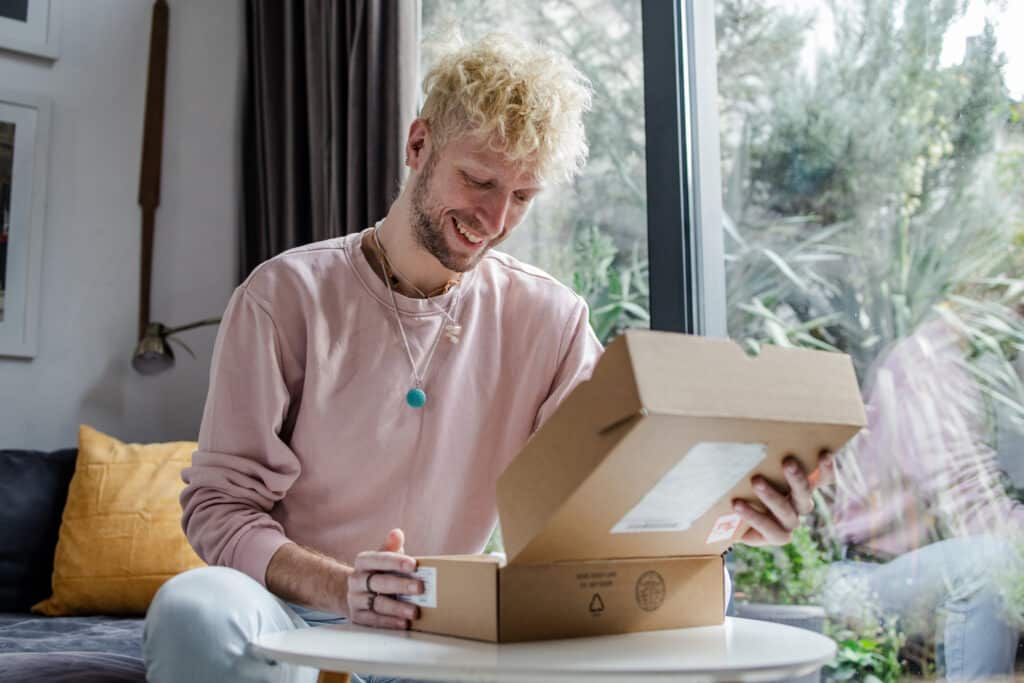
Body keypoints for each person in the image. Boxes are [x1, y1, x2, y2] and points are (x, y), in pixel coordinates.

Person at [142, 32, 830, 683]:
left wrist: (726, 520)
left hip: (453, 630)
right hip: (298, 614)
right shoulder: (284, 296)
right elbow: (219, 508)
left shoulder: (551, 318)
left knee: (695, 596)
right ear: (419, 145)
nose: (496, 220)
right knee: (196, 608)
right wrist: (344, 586)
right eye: (479, 180)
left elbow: (607, 500)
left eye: (522, 196)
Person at [823, 315, 1022, 680]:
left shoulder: (969, 370)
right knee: (994, 562)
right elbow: (974, 510)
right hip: (866, 575)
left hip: (913, 573)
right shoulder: (933, 364)